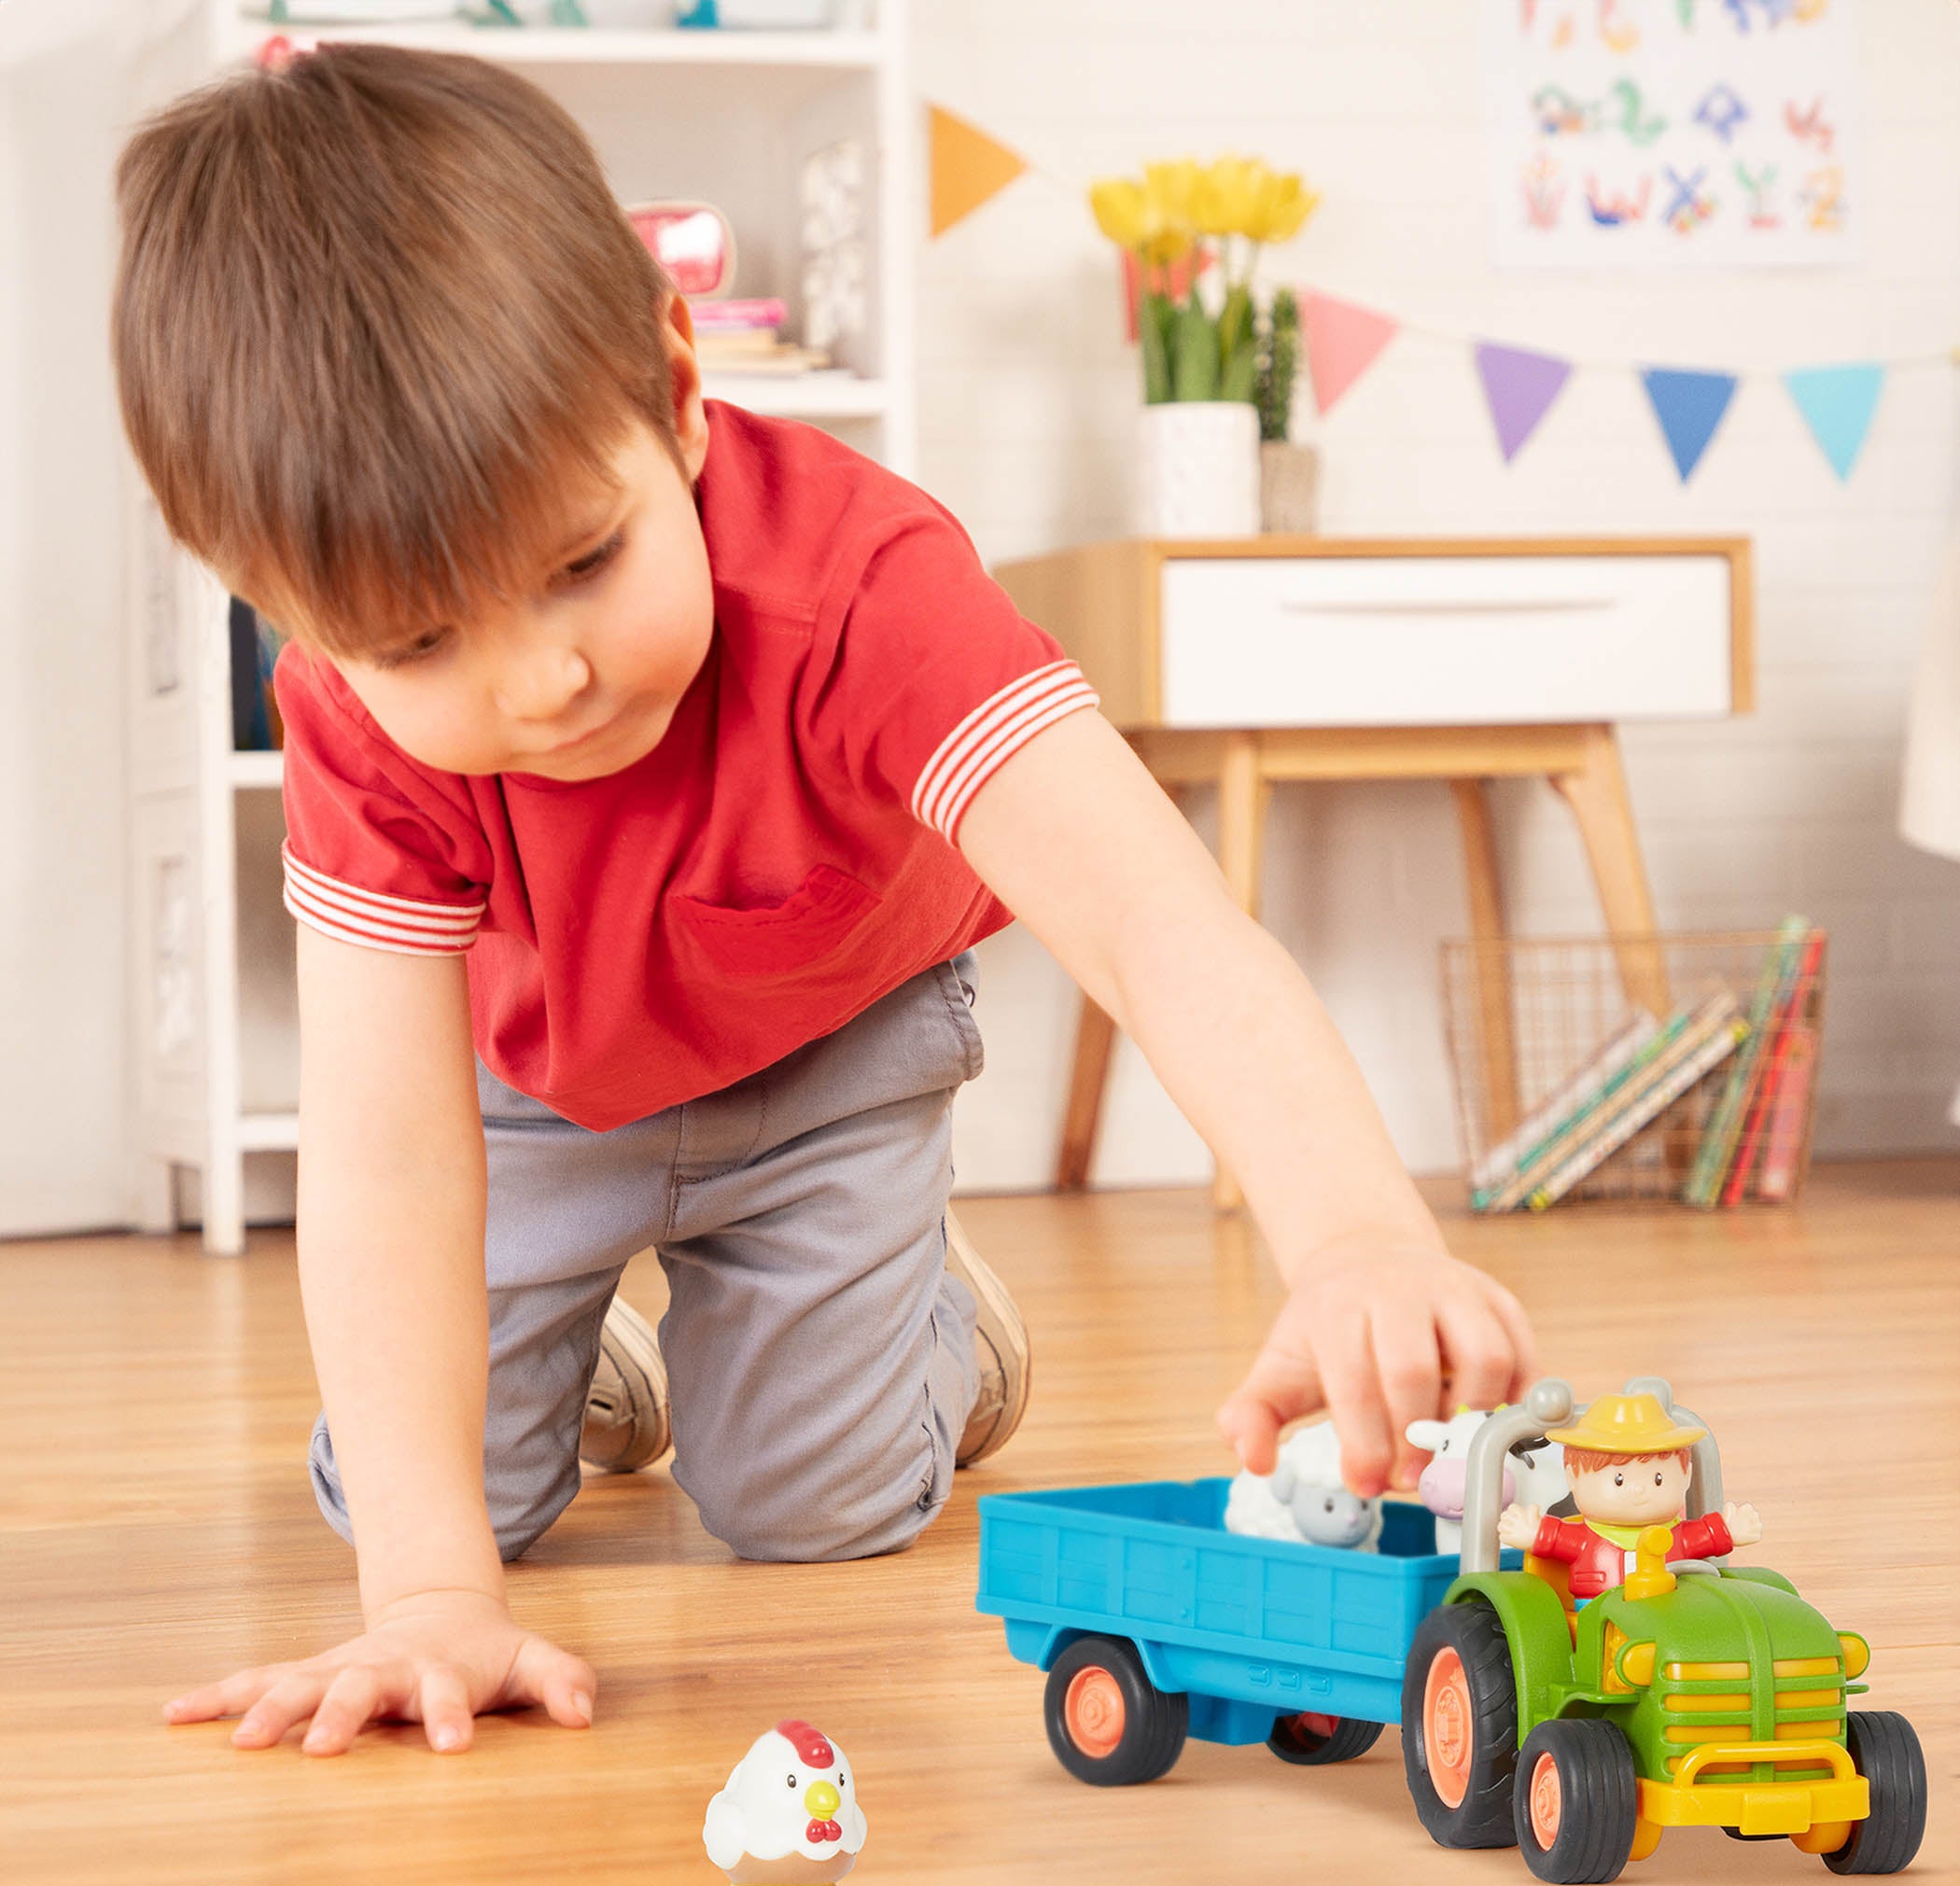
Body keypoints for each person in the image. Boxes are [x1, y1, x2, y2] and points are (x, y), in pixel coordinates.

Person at [113, 44, 1534, 1757]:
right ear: (288, 617)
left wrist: (1358, 1235)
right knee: (413, 1493)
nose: (547, 677)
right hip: (539, 1092)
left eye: (586, 560)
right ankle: (600, 1374)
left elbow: (1157, 923)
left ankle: (949, 1332)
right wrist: (431, 1592)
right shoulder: (349, 717)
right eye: (424, 643)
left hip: (829, 1053)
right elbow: (389, 1152)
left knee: (813, 1507)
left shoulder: (864, 587)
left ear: (677, 387)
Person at [1498, 1392, 1761, 1600]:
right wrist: (1532, 1533)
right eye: (1619, 1479)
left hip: (1675, 1611)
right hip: (1596, 1616)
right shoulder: (1583, 1539)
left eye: (1658, 1479)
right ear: (1572, 1478)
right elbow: (1556, 1537)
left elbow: (1704, 1535)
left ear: (1687, 1476)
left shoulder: (1675, 1536)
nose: (1639, 1491)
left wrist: (1729, 1530)